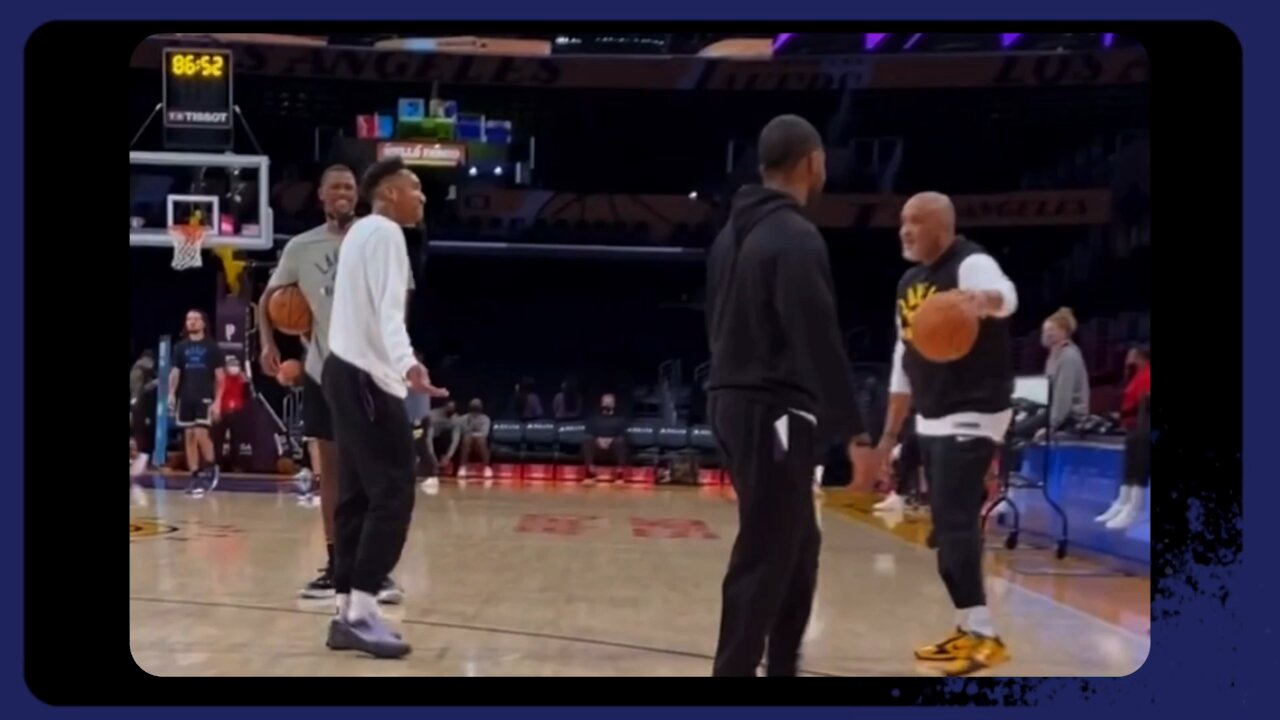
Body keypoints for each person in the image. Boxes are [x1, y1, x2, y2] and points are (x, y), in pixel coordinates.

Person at [704, 114, 874, 677]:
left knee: (798, 548)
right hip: (772, 407)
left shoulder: (731, 236)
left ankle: (782, 667)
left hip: (734, 400)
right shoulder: (795, 235)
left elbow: (715, 323)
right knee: (767, 552)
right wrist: (855, 430)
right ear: (812, 162)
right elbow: (817, 337)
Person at [872, 191, 1018, 676]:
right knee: (944, 526)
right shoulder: (910, 282)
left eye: (915, 223)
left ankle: (986, 636)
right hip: (933, 413)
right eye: (902, 224)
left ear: (943, 227)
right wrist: (889, 435)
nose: (905, 231)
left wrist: (984, 301)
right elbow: (901, 361)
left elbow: (1006, 295)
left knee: (955, 521)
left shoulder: (970, 262)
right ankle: (968, 627)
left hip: (975, 407)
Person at [260, 165, 407, 605]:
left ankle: (371, 571)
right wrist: (269, 344)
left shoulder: (375, 237)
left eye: (349, 187)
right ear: (321, 195)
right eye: (335, 188)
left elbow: (400, 301)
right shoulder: (302, 247)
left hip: (370, 372)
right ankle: (336, 566)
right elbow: (268, 300)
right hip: (325, 371)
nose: (342, 193)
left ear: (357, 195)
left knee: (371, 476)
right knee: (332, 474)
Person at [323, 157, 446, 659]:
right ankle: (363, 609)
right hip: (369, 377)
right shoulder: (388, 234)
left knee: (355, 496)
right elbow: (388, 312)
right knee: (394, 492)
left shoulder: (357, 235)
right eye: (415, 188)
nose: (422, 198)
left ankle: (345, 610)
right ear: (391, 193)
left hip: (342, 369)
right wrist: (408, 363)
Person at [168, 309, 224, 496]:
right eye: (188, 319)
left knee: (201, 432)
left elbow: (220, 377)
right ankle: (195, 476)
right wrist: (171, 394)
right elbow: (175, 373)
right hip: (186, 396)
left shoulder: (212, 347)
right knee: (189, 435)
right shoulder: (181, 347)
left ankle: (211, 466)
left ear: (203, 323)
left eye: (195, 319)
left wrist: (218, 401)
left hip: (205, 395)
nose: (191, 322)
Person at [1013, 307, 1090, 438]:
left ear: (1063, 332)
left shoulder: (1068, 357)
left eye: (1051, 330)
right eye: (1045, 330)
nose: (1046, 334)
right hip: (1051, 411)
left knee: (1016, 432)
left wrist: (1051, 427)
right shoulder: (1053, 356)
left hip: (1069, 417)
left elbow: (1063, 398)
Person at [1097, 345, 1150, 529]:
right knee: (1130, 458)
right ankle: (1123, 502)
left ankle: (1135, 507)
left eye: (1131, 355)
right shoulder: (1135, 376)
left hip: (1143, 428)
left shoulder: (1147, 375)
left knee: (1139, 458)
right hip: (1133, 428)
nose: (1127, 358)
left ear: (1139, 357)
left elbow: (1142, 403)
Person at [583, 393, 628, 483]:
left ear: (614, 404)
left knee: (620, 441)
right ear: (601, 404)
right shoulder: (593, 418)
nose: (607, 404)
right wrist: (598, 440)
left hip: (613, 448)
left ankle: (619, 474)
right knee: (587, 440)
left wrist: (610, 440)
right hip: (597, 448)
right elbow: (588, 433)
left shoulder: (620, 420)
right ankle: (590, 473)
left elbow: (624, 435)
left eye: (610, 402)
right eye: (605, 401)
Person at [456, 399, 493, 481]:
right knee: (467, 438)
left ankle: (487, 467)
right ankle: (462, 467)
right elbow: (461, 433)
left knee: (481, 440)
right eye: (473, 407)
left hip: (480, 444)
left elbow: (484, 433)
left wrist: (473, 435)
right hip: (466, 444)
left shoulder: (485, 419)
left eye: (477, 407)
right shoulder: (462, 419)